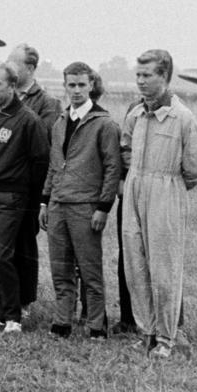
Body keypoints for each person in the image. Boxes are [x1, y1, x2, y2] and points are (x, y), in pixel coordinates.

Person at [119, 49, 197, 359]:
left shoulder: (182, 117)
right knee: (136, 264)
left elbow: (196, 168)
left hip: (166, 191)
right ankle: (146, 332)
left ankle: (166, 338)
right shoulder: (135, 114)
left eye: (147, 75)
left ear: (164, 76)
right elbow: (125, 147)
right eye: (138, 75)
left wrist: (168, 187)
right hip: (135, 188)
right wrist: (136, 179)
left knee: (164, 267)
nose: (140, 81)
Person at [39, 62, 122, 339]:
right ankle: (62, 321)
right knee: (60, 267)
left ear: (91, 86)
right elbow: (54, 165)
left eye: (81, 85)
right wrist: (45, 201)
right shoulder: (60, 122)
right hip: (58, 204)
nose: (76, 90)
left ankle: (96, 325)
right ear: (65, 86)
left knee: (89, 268)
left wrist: (103, 207)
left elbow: (112, 168)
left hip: (86, 206)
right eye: (71, 85)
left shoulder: (104, 124)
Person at [0, 60, 50, 333]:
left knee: (2, 257)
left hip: (7, 198)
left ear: (12, 86)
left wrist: (31, 200)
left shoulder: (28, 120)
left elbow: (40, 162)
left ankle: (14, 317)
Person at [9, 44, 62, 313]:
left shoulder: (47, 103)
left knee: (24, 243)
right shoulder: (4, 96)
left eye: (14, 63)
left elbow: (44, 145)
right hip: (5, 183)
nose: (8, 67)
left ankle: (24, 300)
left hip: (28, 185)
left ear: (30, 68)